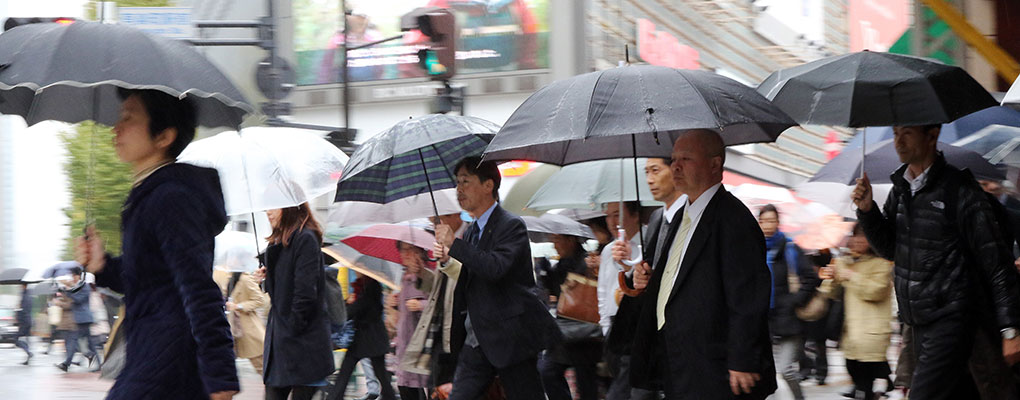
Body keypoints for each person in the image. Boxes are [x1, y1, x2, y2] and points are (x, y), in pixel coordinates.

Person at [75, 89, 238, 399]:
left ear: (164, 136)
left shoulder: (171, 198)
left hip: (169, 364)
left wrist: (221, 376)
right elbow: (152, 279)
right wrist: (102, 265)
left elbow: (198, 287)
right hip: (151, 354)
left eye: (129, 118)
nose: (116, 128)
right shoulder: (150, 194)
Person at [852, 124, 1020, 399]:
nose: (898, 141)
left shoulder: (961, 192)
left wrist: (1010, 329)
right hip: (917, 322)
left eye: (906, 133)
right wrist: (867, 211)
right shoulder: (902, 190)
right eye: (895, 133)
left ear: (932, 136)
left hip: (952, 318)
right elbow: (889, 250)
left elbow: (996, 263)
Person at [629, 129, 777, 399]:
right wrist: (651, 279)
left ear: (714, 164)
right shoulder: (682, 217)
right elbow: (682, 277)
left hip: (716, 366)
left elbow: (747, 296)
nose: (675, 166)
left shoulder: (734, 219)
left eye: (686, 158)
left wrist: (742, 359)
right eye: (673, 159)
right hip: (679, 358)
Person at [432, 156, 561, 400]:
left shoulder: (511, 226)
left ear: (488, 185)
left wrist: (454, 244)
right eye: (457, 183)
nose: (459, 189)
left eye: (465, 182)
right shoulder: (472, 232)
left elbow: (495, 268)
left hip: (510, 339)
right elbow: (472, 275)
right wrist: (448, 260)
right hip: (477, 339)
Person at [606, 157, 683, 400]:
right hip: (650, 333)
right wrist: (633, 265)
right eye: (646, 172)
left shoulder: (692, 217)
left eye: (656, 170)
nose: (649, 179)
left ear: (676, 170)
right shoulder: (658, 219)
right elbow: (649, 272)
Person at [256, 204, 335, 400]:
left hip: (301, 342)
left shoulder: (304, 238)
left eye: (274, 206)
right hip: (282, 342)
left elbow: (305, 293)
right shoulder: (277, 244)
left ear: (289, 207)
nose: (268, 211)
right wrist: (267, 278)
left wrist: (292, 328)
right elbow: (282, 291)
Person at [819, 223, 894, 400]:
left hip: (871, 333)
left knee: (864, 384)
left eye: (863, 236)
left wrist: (852, 275)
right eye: (855, 235)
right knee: (854, 371)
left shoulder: (882, 263)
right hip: (851, 333)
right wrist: (831, 277)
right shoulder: (846, 261)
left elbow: (876, 291)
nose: (858, 240)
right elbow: (831, 293)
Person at [401, 212, 467, 398]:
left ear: (454, 216)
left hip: (460, 328)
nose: (436, 227)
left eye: (438, 222)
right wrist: (422, 273)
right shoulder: (444, 245)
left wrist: (448, 259)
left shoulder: (467, 240)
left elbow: (467, 279)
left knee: (451, 385)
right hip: (441, 327)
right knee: (437, 386)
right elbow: (440, 286)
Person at [759, 204, 819, 400]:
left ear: (778, 222)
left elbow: (811, 278)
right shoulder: (753, 248)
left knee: (786, 370)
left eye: (771, 220)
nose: (767, 225)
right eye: (763, 220)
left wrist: (794, 300)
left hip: (789, 320)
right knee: (762, 371)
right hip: (762, 320)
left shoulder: (790, 248)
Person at [539, 234, 602, 400]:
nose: (554, 245)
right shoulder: (561, 264)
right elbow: (557, 293)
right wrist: (546, 274)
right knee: (548, 371)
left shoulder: (587, 262)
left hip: (584, 333)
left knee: (586, 384)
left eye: (557, 240)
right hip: (566, 332)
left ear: (570, 240)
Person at [326, 268, 398, 400]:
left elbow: (362, 307)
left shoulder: (372, 286)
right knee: (346, 372)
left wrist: (346, 309)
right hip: (364, 339)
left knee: (380, 374)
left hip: (372, 339)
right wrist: (348, 303)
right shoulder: (361, 285)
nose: (356, 271)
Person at [213, 270, 267, 375]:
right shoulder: (223, 275)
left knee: (261, 365)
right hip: (230, 327)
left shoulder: (245, 279)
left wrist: (239, 306)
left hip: (247, 328)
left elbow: (259, 300)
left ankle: (277, 390)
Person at [395, 241, 431, 400]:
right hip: (404, 345)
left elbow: (439, 304)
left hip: (420, 348)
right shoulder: (405, 278)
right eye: (403, 250)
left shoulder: (427, 275)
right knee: (405, 389)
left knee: (418, 390)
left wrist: (420, 305)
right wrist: (395, 304)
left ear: (420, 252)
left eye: (410, 250)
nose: (406, 254)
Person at [55, 268, 99, 372]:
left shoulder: (85, 286)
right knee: (88, 343)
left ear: (78, 276)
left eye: (73, 276)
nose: (72, 278)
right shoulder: (79, 286)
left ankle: (67, 364)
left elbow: (78, 299)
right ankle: (94, 360)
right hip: (81, 318)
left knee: (75, 341)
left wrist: (67, 290)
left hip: (83, 318)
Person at [15, 283, 33, 365]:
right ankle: (28, 358)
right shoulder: (29, 295)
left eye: (21, 286)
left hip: (24, 321)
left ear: (24, 286)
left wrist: (18, 309)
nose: (20, 287)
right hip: (28, 320)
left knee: (16, 339)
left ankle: (28, 352)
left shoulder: (24, 296)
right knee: (26, 339)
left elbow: (23, 310)